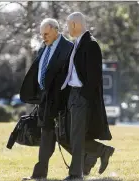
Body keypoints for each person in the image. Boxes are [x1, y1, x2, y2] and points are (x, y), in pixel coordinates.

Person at [20, 18, 99, 180]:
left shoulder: (69, 47)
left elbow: (72, 75)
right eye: (42, 34)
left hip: (61, 100)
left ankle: (92, 156)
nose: (44, 37)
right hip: (44, 99)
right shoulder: (43, 47)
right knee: (50, 135)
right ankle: (88, 158)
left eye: (46, 33)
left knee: (63, 136)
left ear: (56, 30)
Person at [61, 12, 115, 180]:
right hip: (72, 94)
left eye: (68, 25)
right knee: (68, 136)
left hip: (81, 96)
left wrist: (83, 97)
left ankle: (75, 174)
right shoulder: (76, 43)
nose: (67, 28)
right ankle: (102, 151)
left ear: (75, 25)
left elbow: (94, 77)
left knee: (76, 137)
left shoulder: (91, 45)